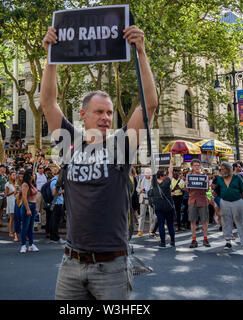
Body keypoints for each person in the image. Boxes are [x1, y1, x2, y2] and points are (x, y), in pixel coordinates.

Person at [41, 23, 157, 300]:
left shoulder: (121, 145)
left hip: (112, 267)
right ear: (83, 114)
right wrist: (50, 56)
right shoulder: (70, 141)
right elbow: (48, 103)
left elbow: (148, 104)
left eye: (109, 112)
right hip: (70, 263)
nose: (106, 117)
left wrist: (140, 51)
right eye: (99, 112)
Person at [214, 162, 243, 250]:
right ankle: (228, 241)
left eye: (223, 169)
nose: (221, 171)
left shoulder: (237, 177)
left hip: (237, 201)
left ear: (228, 169)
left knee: (240, 221)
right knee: (226, 222)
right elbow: (216, 191)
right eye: (221, 169)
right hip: (224, 202)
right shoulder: (219, 179)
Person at [186, 159, 210, 248]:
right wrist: (186, 184)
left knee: (204, 221)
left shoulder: (204, 176)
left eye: (198, 165)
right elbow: (187, 190)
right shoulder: (189, 176)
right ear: (192, 167)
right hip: (192, 200)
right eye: (195, 165)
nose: (197, 167)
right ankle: (194, 239)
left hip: (202, 201)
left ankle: (205, 238)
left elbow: (207, 190)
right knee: (192, 221)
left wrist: (207, 184)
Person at [153, 160, 176, 248]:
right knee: (170, 224)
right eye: (165, 175)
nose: (166, 176)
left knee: (161, 224)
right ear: (162, 176)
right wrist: (170, 163)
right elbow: (171, 172)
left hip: (158, 206)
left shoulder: (154, 182)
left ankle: (163, 242)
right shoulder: (166, 182)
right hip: (167, 206)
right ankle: (172, 241)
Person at [20, 169, 39, 253]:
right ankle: (23, 245)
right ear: (30, 175)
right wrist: (28, 209)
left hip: (33, 205)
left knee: (31, 227)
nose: (34, 176)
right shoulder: (25, 184)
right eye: (33, 174)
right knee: (25, 226)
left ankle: (31, 244)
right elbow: (24, 197)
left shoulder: (32, 184)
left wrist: (36, 208)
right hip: (28, 206)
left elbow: (35, 198)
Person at [136, 168, 155, 236]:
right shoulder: (141, 179)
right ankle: (140, 230)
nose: (147, 176)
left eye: (148, 174)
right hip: (143, 199)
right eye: (146, 174)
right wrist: (141, 190)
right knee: (142, 215)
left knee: (151, 216)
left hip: (151, 199)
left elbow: (155, 189)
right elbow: (137, 188)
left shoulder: (153, 180)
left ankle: (151, 230)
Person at [49, 166, 66, 245]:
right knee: (55, 222)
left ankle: (54, 237)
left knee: (55, 221)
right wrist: (63, 191)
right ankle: (55, 238)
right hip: (56, 204)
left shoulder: (56, 181)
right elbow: (54, 193)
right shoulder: (54, 181)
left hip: (58, 203)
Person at [35, 164, 48, 231]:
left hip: (44, 193)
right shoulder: (36, 175)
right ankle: (35, 225)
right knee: (36, 209)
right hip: (38, 192)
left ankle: (43, 224)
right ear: (38, 169)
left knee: (43, 209)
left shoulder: (45, 175)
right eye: (40, 168)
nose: (41, 169)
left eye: (42, 168)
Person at [5, 172, 17, 240]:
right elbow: (6, 194)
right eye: (13, 175)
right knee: (12, 217)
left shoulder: (17, 183)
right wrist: (14, 191)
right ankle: (10, 231)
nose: (15, 176)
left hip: (16, 200)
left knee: (17, 217)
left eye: (15, 175)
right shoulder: (8, 184)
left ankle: (16, 231)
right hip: (11, 200)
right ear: (10, 176)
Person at [0, 164, 8, 232]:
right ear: (0, 168)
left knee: (2, 209)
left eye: (5, 168)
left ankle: (0, 221)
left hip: (4, 194)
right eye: (3, 168)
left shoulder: (5, 176)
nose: (4, 169)